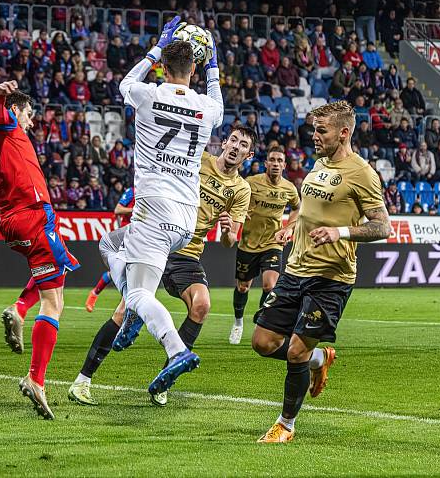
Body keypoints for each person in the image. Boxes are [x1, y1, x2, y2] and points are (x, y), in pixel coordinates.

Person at [69, 129, 253, 408]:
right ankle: (82, 381)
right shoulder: (197, 160)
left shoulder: (241, 190)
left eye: (244, 145)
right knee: (124, 310)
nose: (237, 147)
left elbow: (230, 242)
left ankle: (166, 379)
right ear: (224, 142)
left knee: (202, 305)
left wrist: (227, 231)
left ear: (248, 155)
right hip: (157, 239)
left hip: (188, 253)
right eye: (234, 140)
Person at [251, 101, 391, 443]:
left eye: (321, 130)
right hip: (295, 269)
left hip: (331, 278)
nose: (313, 136)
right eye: (314, 129)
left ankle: (285, 425)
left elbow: (382, 226)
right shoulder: (319, 164)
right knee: (263, 342)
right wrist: (291, 227)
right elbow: (310, 211)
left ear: (344, 133)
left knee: (295, 350)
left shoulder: (362, 173)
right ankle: (319, 358)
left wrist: (339, 232)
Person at [105, 16, 224, 398]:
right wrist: (214, 65)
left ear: (162, 68)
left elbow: (125, 83)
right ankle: (137, 318)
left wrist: (155, 48)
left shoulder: (148, 94)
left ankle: (174, 349)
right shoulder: (206, 107)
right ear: (194, 68)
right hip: (186, 217)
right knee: (112, 243)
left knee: (137, 292)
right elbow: (218, 101)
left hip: (154, 207)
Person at [0, 81, 81, 420]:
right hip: (33, 214)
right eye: (28, 114)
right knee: (55, 302)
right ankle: (35, 379)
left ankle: (20, 309)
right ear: (14, 111)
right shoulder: (4, 124)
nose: (31, 121)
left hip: (9, 223)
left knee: (56, 269)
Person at [231, 146, 300, 345]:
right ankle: (238, 322)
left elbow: (297, 207)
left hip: (273, 242)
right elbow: (234, 198)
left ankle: (260, 324)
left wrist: (289, 228)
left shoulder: (289, 188)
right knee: (243, 287)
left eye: (280, 160)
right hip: (249, 243)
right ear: (266, 163)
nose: (276, 164)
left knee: (270, 285)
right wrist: (241, 211)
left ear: (284, 165)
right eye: (273, 160)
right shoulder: (251, 182)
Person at [84, 187, 135, 312]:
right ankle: (95, 294)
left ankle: (96, 293)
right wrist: (135, 210)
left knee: (126, 272)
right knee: (122, 270)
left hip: (141, 236)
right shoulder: (132, 191)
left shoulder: (153, 192)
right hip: (126, 235)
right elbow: (118, 209)